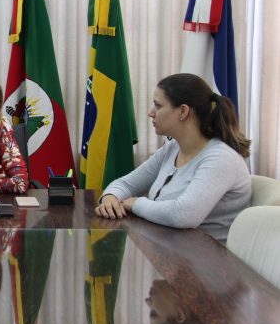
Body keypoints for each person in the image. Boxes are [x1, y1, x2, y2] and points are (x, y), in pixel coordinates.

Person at [95, 73, 251, 243]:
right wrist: (110, 198)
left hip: (205, 256)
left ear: (183, 111)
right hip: (169, 246)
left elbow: (184, 215)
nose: (151, 113)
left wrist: (135, 203)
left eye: (158, 105)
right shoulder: (172, 148)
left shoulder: (221, 158)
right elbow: (125, 184)